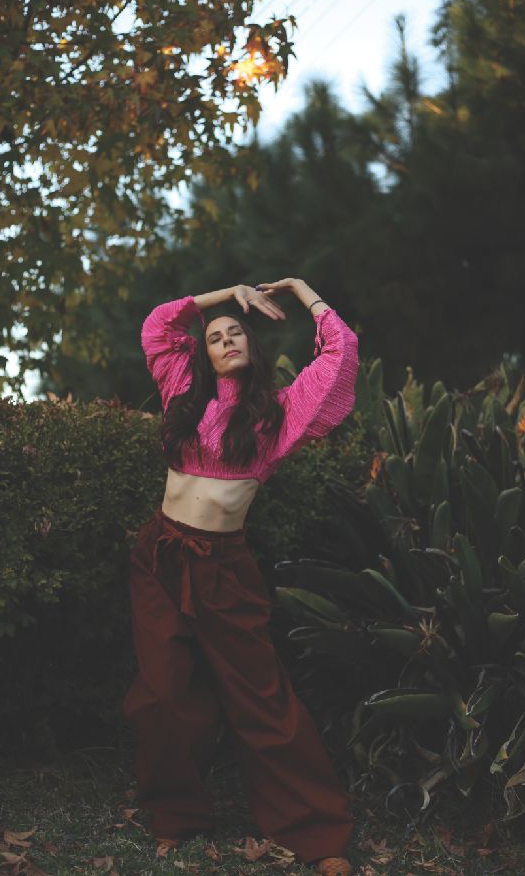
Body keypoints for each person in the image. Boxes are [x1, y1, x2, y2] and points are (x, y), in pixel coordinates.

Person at [122, 278, 359, 876]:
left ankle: (317, 832)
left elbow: (340, 355)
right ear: (203, 353)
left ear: (252, 347)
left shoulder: (279, 414)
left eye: (235, 333)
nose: (224, 339)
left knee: (263, 702)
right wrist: (226, 293)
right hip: (159, 555)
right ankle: (175, 816)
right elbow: (159, 324)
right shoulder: (183, 392)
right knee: (163, 691)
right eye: (215, 337)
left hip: (224, 566)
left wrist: (304, 292)